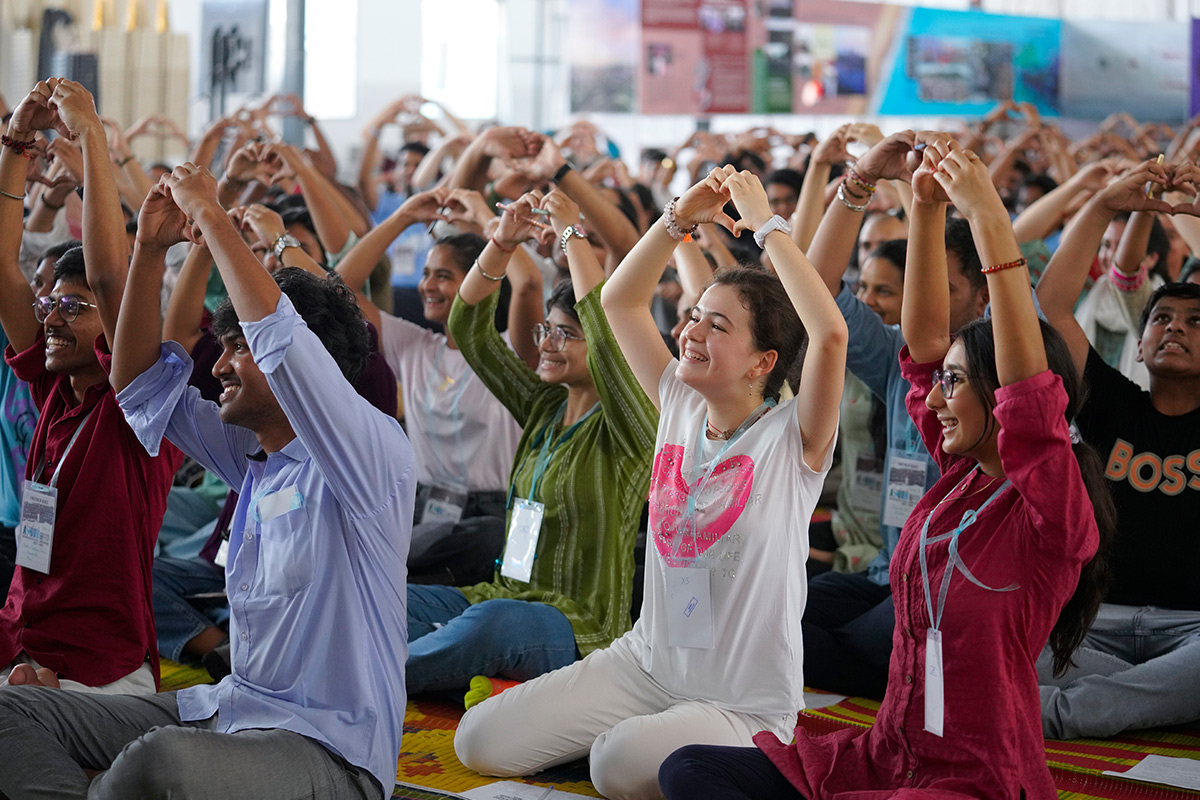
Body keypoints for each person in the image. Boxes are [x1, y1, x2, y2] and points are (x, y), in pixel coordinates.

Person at [658, 139, 1113, 800]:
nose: (931, 397)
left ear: (1002, 397)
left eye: (955, 383)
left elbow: (1028, 395)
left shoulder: (1051, 509)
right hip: (886, 755)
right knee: (687, 770)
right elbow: (924, 347)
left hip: (974, 780)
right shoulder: (961, 477)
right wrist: (925, 211)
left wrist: (989, 221)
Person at [0, 159, 413, 799]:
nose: (218, 366)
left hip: (329, 753)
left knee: (160, 764)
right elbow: (137, 382)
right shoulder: (255, 454)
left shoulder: (370, 454)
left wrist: (213, 218)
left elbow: (282, 340)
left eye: (235, 348)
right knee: (10, 712)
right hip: (231, 710)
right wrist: (150, 246)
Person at [455, 166, 847, 800]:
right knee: (478, 741)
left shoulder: (793, 440)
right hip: (646, 663)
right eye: (693, 317)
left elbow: (829, 334)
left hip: (741, 700)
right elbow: (619, 301)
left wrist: (768, 224)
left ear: (763, 362)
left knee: (615, 764)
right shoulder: (679, 402)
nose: (689, 332)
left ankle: (678, 746)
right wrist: (679, 216)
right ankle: (643, 734)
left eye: (716, 327)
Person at [404, 189, 657, 695]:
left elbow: (610, 336)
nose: (545, 343)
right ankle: (466, 674)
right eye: (547, 330)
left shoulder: (633, 424)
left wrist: (572, 236)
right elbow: (468, 327)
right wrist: (500, 241)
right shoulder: (543, 408)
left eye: (565, 335)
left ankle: (361, 675)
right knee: (390, 599)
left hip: (577, 624)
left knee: (491, 626)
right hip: (501, 592)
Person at [0, 79, 180, 692]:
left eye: (73, 308)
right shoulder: (52, 393)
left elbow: (111, 276)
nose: (50, 316)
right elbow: (2, 267)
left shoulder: (138, 408)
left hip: (99, 667)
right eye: (49, 303)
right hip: (21, 637)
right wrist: (17, 147)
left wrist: (93, 138)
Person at [800, 131, 988, 699]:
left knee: (816, 646)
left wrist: (943, 204)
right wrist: (858, 180)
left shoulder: (1012, 367)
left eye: (942, 286)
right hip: (886, 572)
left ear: (984, 297)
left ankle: (913, 678)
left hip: (944, 589)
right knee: (768, 611)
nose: (919, 297)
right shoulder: (896, 355)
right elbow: (816, 286)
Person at [1035, 158, 1200, 740]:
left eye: (1195, 321)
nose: (1175, 327)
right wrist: (1103, 205)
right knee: (994, 640)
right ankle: (1146, 701)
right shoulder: (1113, 405)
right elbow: (1050, 308)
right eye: (1162, 318)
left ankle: (1053, 713)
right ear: (1140, 342)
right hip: (1092, 626)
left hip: (1194, 632)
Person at [335, 187, 537, 586]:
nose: (428, 286)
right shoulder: (414, 345)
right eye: (426, 274)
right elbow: (339, 289)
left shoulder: (514, 354)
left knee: (489, 541)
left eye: (443, 276)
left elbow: (528, 283)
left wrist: (487, 218)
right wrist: (403, 218)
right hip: (421, 507)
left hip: (492, 517)